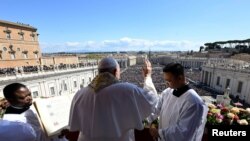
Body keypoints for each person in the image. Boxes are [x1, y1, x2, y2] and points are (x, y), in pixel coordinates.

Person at [67, 57, 158, 141]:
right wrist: (147, 77)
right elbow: (152, 99)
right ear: (115, 71)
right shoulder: (127, 90)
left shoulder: (79, 94)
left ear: (99, 72)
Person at [148, 63, 208, 141]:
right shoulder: (167, 92)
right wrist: (146, 120)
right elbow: (156, 109)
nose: (166, 83)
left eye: (169, 80)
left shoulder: (194, 102)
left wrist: (159, 133)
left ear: (180, 78)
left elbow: (184, 133)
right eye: (165, 80)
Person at [2, 83, 67, 141]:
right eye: (23, 97)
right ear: (11, 99)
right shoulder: (11, 122)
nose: (29, 98)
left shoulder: (38, 105)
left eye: (29, 94)